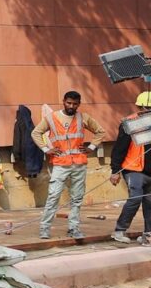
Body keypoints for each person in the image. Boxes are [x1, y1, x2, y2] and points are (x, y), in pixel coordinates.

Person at [33, 90, 105, 240]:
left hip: (79, 163)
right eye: (69, 102)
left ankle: (73, 228)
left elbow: (100, 131)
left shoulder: (83, 117)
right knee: (53, 196)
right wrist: (47, 149)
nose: (71, 106)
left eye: (74, 104)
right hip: (60, 164)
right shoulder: (51, 118)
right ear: (63, 101)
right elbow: (36, 133)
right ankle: (44, 229)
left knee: (77, 198)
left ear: (79, 104)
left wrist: (91, 147)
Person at [110, 91, 151, 244]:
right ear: (139, 107)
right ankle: (120, 230)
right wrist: (115, 171)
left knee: (150, 202)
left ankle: (148, 234)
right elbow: (119, 148)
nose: (148, 111)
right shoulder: (130, 123)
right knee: (135, 199)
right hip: (133, 169)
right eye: (146, 108)